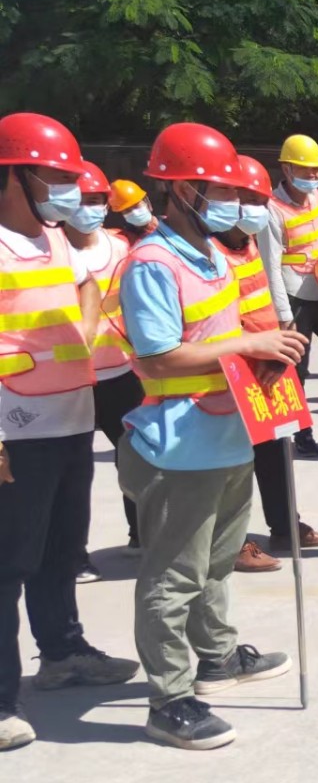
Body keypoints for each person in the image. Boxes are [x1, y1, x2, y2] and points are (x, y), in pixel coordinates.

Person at [116, 122, 305, 750]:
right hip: (178, 445)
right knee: (173, 577)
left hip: (228, 432)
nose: (232, 201)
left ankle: (218, 656)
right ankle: (169, 699)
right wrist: (250, 343)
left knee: (218, 562)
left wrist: (265, 352)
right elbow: (158, 357)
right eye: (219, 189)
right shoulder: (153, 262)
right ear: (180, 189)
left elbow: (222, 337)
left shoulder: (217, 255)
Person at [0, 113, 139, 753]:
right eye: (54, 177)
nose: (69, 190)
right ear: (15, 176)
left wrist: (83, 332)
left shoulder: (56, 239)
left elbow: (87, 289)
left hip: (70, 419)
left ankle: (62, 652)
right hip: (14, 432)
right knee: (8, 563)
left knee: (62, 551)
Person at [221, 154, 318, 572]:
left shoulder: (246, 243)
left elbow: (263, 292)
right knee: (233, 462)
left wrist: (278, 341)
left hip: (265, 363)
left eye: (259, 200)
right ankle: (232, 543)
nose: (257, 209)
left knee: (275, 451)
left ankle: (286, 526)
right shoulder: (210, 251)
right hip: (232, 370)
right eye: (246, 200)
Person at [64, 161, 140, 573]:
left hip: (121, 373)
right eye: (82, 200)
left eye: (97, 200)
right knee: (72, 470)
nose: (90, 208)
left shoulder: (121, 248)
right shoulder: (53, 250)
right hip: (71, 379)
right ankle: (71, 551)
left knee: (135, 458)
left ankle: (141, 533)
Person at [261, 132, 318, 457]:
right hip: (294, 295)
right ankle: (302, 433)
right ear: (286, 169)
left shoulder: (315, 197)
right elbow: (270, 267)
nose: (312, 175)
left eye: (316, 169)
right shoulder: (271, 210)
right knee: (297, 369)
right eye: (305, 169)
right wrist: (284, 316)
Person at [107, 178, 155, 243]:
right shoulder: (126, 239)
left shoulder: (166, 223)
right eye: (127, 210)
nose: (134, 212)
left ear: (147, 201)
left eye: (136, 205)